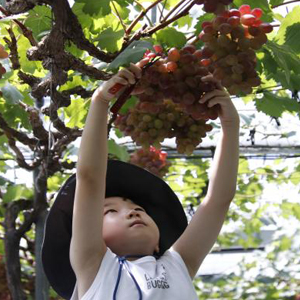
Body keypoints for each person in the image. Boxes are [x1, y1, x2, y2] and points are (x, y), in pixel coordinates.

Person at [41, 61, 240, 300]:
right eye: (109, 211)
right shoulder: (94, 266)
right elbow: (90, 178)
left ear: (159, 244)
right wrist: (101, 101)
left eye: (138, 208)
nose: (133, 212)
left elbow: (218, 200)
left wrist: (230, 126)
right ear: (90, 233)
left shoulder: (178, 265)